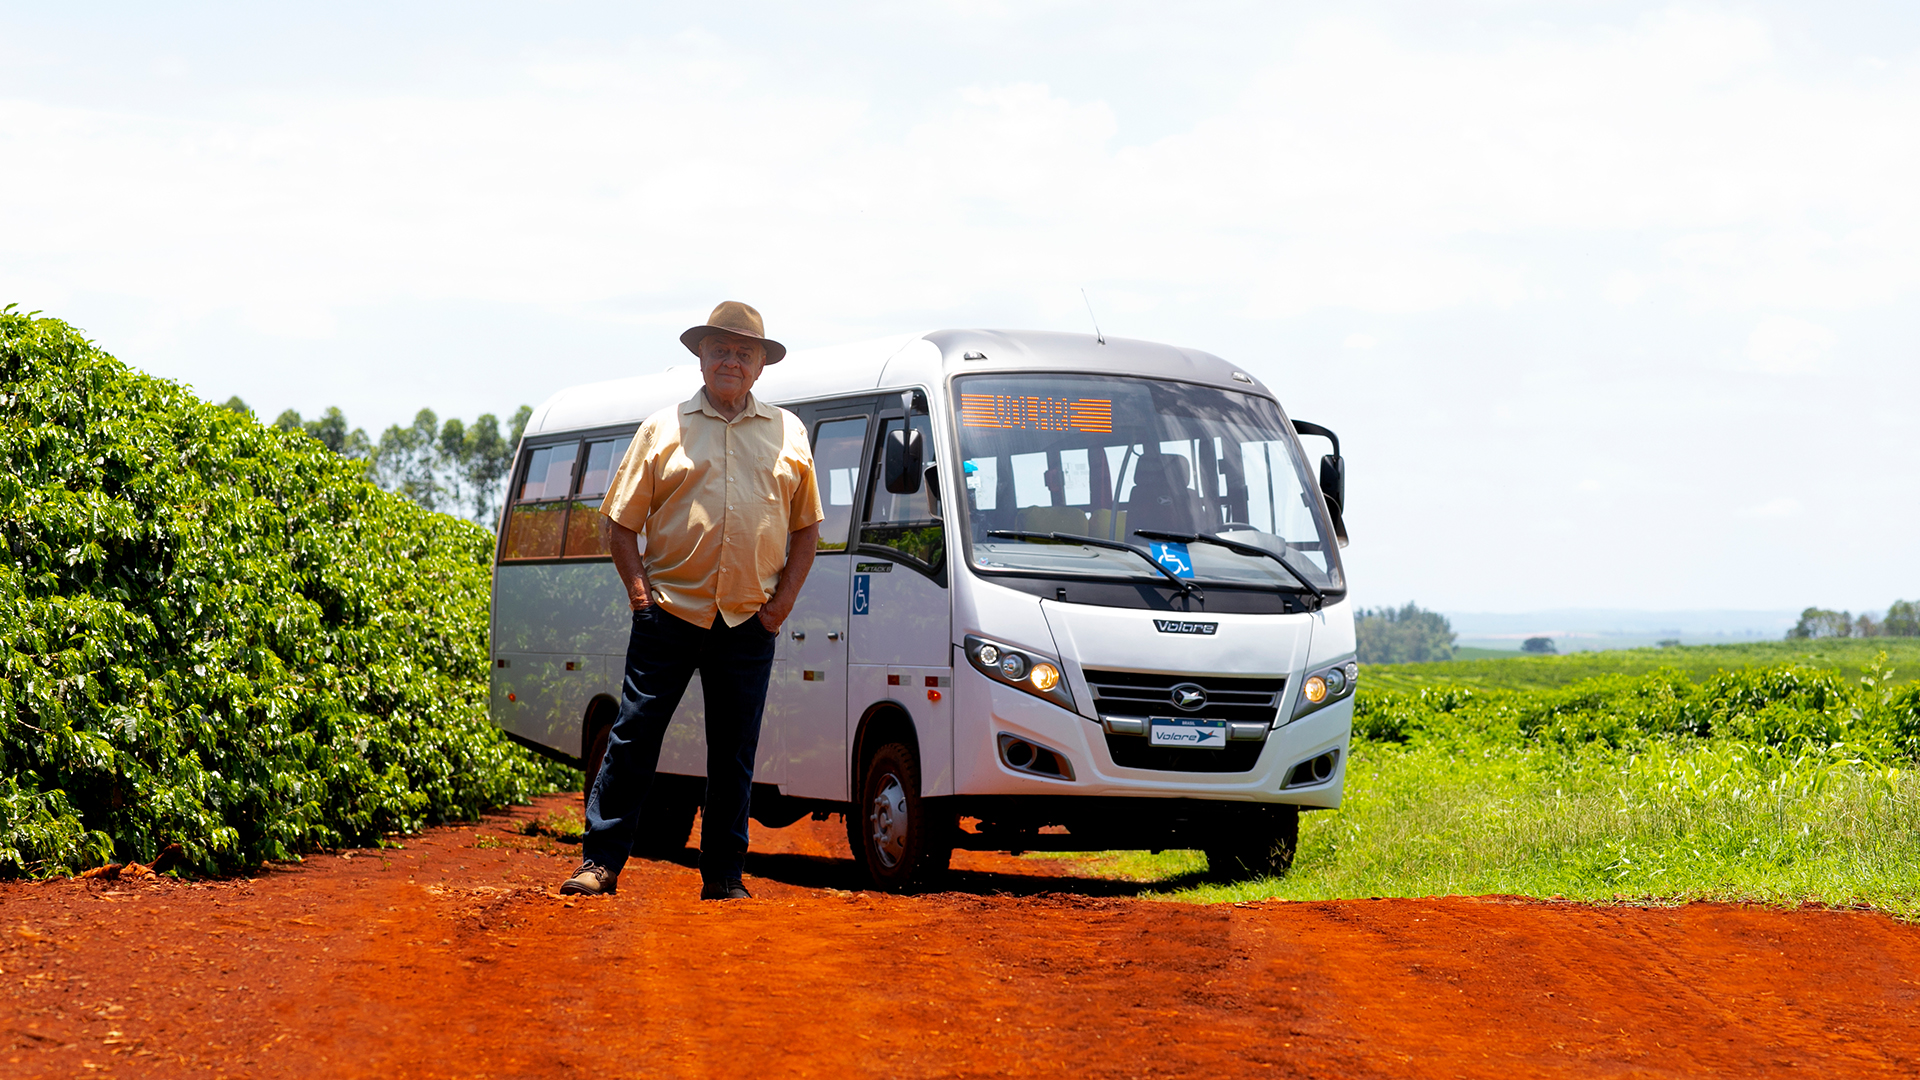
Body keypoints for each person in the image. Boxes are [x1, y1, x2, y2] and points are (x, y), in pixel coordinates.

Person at [561, 301, 823, 901]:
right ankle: (600, 863)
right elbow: (619, 524)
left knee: (734, 753)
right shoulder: (664, 428)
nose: (731, 361)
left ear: (760, 365)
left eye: (743, 352)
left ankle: (725, 877)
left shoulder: (789, 432)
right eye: (720, 350)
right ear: (700, 357)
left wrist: (778, 609)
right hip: (669, 615)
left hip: (748, 621)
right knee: (633, 737)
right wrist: (640, 600)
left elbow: (807, 529)